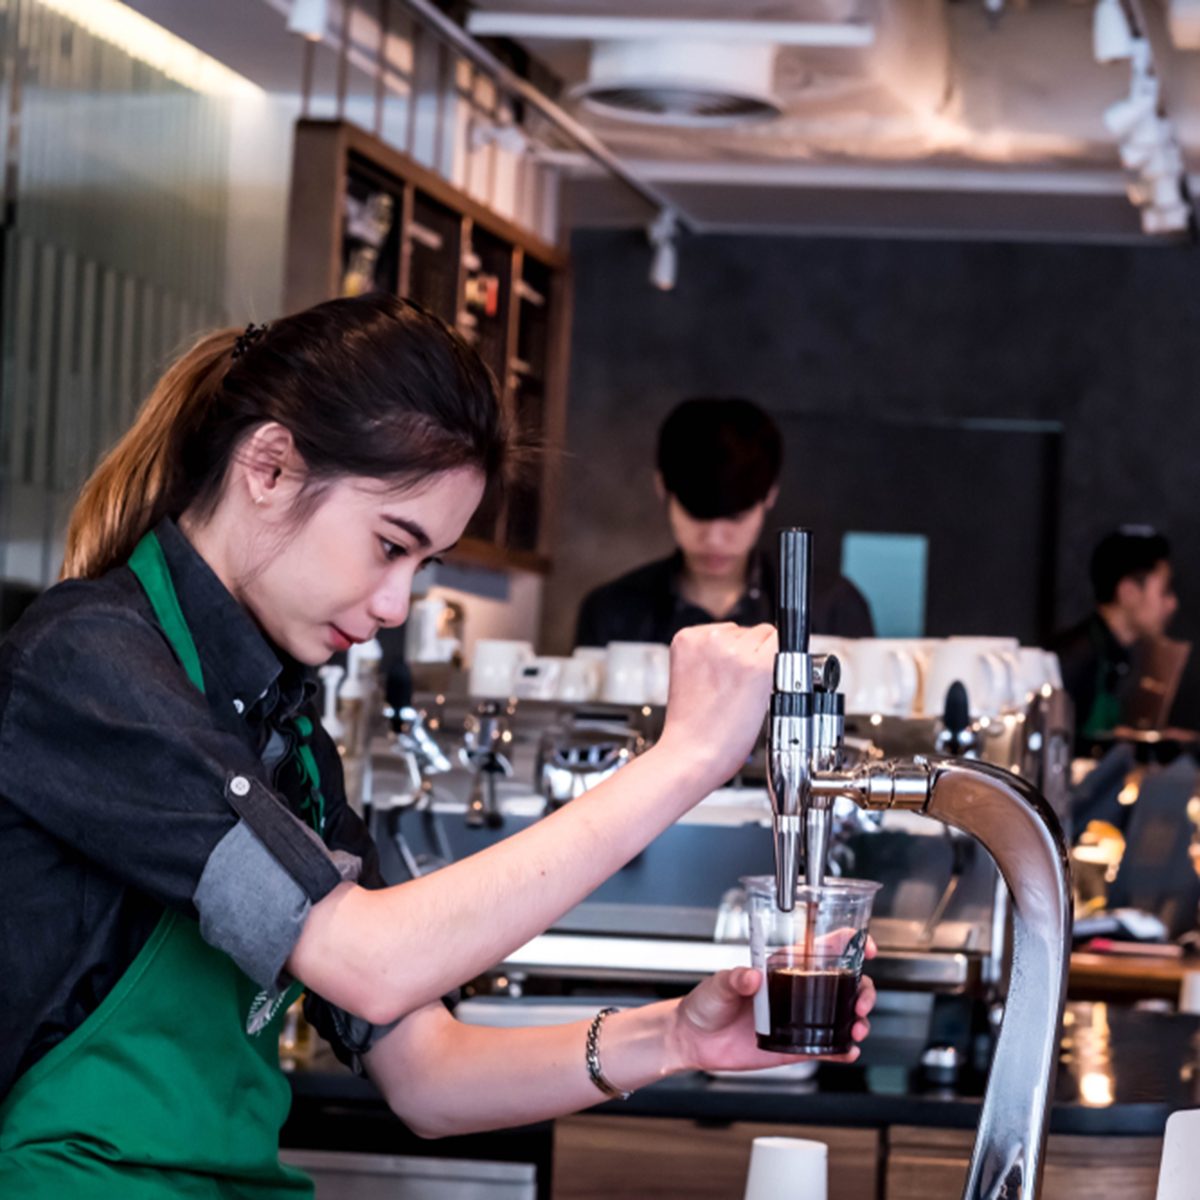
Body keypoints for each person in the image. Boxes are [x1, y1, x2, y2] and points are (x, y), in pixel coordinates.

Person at [0, 296, 876, 1198]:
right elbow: (369, 963)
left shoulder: (285, 733)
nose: (394, 606)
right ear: (268, 466)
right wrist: (682, 761)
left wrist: (678, 1039)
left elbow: (427, 1073)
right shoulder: (90, 669)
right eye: (389, 545)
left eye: (423, 565)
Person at [574, 397, 874, 648]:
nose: (715, 538)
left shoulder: (830, 606)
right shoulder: (612, 611)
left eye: (735, 517)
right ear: (661, 488)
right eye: (697, 515)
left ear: (769, 495)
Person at [1050, 525, 1178, 744]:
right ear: (1128, 592)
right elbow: (1056, 745)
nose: (1173, 604)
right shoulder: (1075, 657)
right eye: (1165, 591)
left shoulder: (1117, 654)